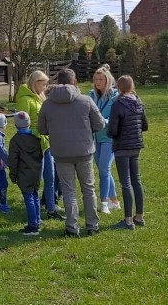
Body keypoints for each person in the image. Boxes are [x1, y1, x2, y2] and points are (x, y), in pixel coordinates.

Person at [38, 68, 104, 237]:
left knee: (69, 191)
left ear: (58, 83)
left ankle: (72, 227)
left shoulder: (47, 103)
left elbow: (41, 129)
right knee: (88, 189)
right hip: (84, 151)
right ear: (75, 82)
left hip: (61, 152)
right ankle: (92, 225)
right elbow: (100, 124)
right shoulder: (86, 100)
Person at [15, 70, 65, 220]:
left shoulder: (41, 97)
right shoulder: (24, 99)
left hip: (46, 142)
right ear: (35, 83)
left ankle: (51, 208)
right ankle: (34, 210)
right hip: (34, 143)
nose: (45, 87)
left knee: (50, 176)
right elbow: (23, 123)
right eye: (43, 84)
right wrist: (36, 135)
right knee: (37, 178)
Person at [107, 75, 149, 230]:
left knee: (125, 183)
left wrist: (111, 133)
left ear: (118, 87)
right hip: (136, 145)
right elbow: (144, 126)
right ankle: (139, 216)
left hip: (122, 146)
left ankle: (128, 220)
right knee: (136, 181)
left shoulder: (118, 104)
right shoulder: (138, 102)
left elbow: (113, 129)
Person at [88, 65, 121, 214]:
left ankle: (104, 203)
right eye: (96, 79)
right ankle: (115, 201)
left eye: (101, 79)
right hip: (95, 137)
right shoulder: (91, 95)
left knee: (104, 169)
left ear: (108, 80)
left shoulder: (115, 96)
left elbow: (115, 118)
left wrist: (103, 122)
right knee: (104, 170)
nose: (98, 82)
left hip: (109, 137)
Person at [8, 111, 43, 235]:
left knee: (29, 198)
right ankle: (37, 221)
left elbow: (13, 160)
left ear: (16, 125)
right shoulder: (36, 139)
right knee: (35, 196)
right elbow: (40, 156)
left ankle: (33, 226)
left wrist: (12, 175)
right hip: (36, 173)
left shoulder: (15, 141)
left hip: (24, 174)